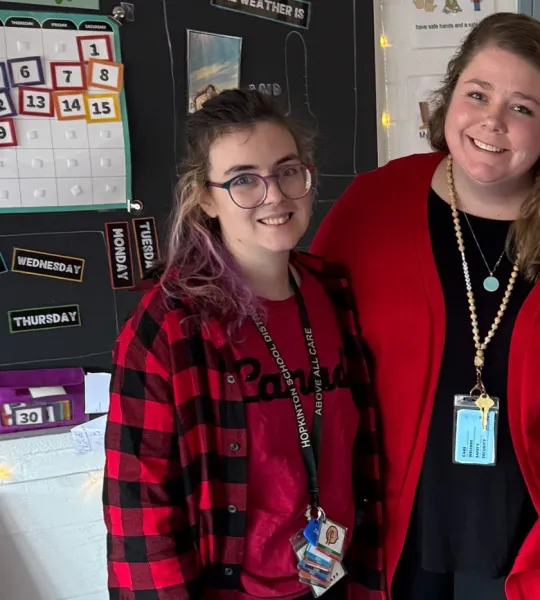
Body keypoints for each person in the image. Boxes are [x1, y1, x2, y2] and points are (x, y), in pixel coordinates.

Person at [311, 12, 540, 600]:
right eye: (478, 94)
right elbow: (305, 338)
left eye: (522, 107)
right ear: (450, 97)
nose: (493, 121)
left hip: (531, 525)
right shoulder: (374, 204)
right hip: (397, 521)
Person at [102, 89, 385, 600]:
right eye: (244, 180)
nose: (274, 195)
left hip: (334, 580)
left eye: (288, 171)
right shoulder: (171, 323)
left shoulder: (334, 290)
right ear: (206, 198)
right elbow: (138, 502)